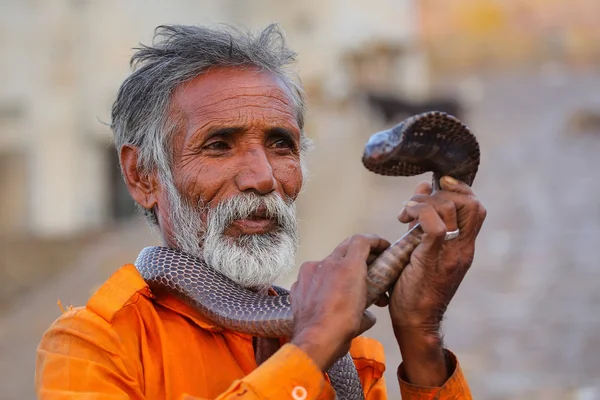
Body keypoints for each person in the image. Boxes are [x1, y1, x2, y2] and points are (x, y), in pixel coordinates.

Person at [35, 24, 486, 399]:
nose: (263, 176)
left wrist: (421, 333)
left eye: (280, 144)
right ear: (143, 177)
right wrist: (311, 350)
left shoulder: (346, 348)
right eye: (218, 146)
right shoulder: (93, 346)